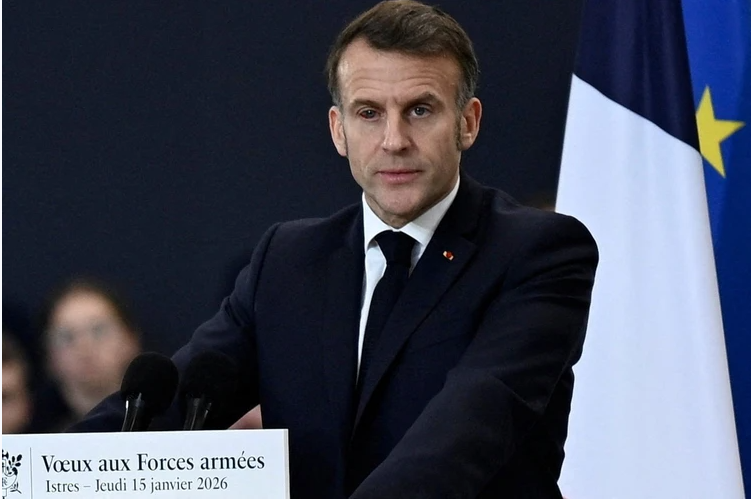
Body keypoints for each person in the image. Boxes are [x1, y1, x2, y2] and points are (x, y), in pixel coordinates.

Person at [73, 1, 598, 498]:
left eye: (419, 110)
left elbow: (467, 429)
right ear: (338, 130)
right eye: (369, 113)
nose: (394, 140)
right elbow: (173, 403)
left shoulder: (539, 253)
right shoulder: (288, 261)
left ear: (468, 123)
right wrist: (45, 475)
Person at [41, 278, 141, 431]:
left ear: (130, 339)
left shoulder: (169, 429)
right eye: (66, 337)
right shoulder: (33, 438)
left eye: (98, 331)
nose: (84, 348)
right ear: (49, 355)